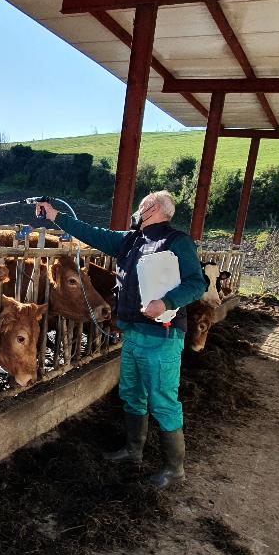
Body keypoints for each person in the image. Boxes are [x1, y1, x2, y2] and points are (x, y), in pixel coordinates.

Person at [34, 191, 206, 488]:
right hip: (133, 332)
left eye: (141, 205)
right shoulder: (130, 239)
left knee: (162, 399)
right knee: (131, 393)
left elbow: (197, 283)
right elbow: (93, 234)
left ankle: (174, 469)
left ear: (153, 208)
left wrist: (166, 302)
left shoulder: (177, 242)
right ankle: (133, 450)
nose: (138, 210)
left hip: (162, 335)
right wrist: (55, 217)